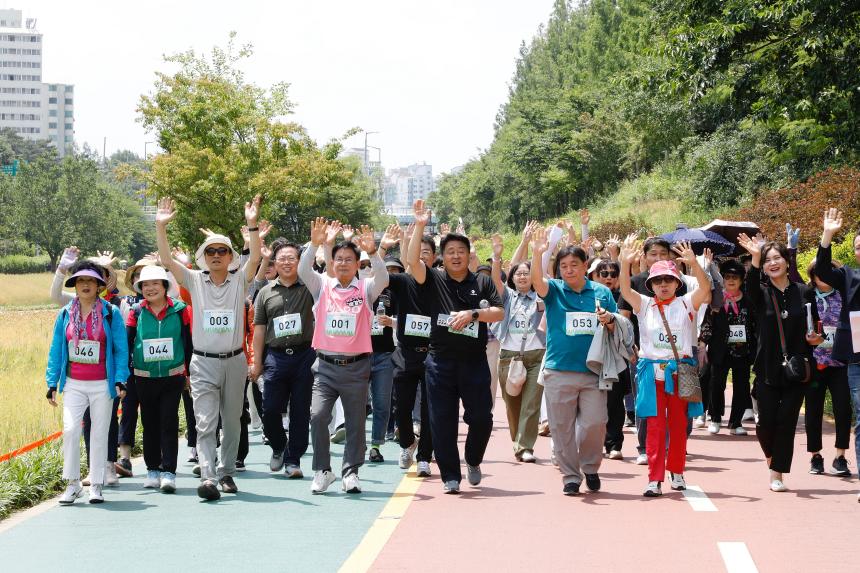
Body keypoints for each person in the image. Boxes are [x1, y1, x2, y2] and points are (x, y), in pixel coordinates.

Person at [155, 195, 262, 501]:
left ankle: (227, 472)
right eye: (211, 251)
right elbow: (166, 261)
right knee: (205, 421)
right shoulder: (194, 279)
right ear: (204, 256)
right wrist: (161, 227)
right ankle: (208, 476)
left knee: (232, 420)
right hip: (203, 362)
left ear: (230, 257)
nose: (216, 255)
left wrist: (252, 225)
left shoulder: (240, 281)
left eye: (222, 251)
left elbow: (254, 259)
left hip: (235, 361)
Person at [407, 200, 504, 494]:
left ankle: (473, 459)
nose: (456, 256)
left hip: (474, 361)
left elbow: (498, 312)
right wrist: (421, 224)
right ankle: (451, 475)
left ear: (468, 255)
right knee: (441, 420)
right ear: (442, 257)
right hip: (440, 362)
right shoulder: (433, 279)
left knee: (481, 417)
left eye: (461, 251)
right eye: (450, 252)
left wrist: (473, 314)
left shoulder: (482, 282)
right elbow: (412, 263)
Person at [298, 219, 395, 495]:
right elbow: (304, 270)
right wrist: (315, 244)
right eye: (338, 259)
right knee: (317, 416)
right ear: (333, 262)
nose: (343, 263)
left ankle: (351, 472)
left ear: (356, 264)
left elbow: (384, 279)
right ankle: (322, 470)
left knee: (355, 423)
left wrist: (374, 252)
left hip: (356, 367)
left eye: (348, 259)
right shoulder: (322, 286)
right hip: (325, 367)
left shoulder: (365, 289)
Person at [619, 239, 711, 497]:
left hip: (679, 373)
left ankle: (677, 472)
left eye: (668, 280)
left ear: (677, 283)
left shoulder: (686, 303)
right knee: (655, 427)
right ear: (650, 284)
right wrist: (624, 262)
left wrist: (694, 264)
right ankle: (654, 478)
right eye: (658, 281)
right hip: (652, 375)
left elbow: (705, 288)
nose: (663, 285)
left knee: (679, 425)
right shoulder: (644, 305)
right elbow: (625, 291)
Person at [531, 227, 617, 495]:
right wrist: (537, 253)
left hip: (594, 371)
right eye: (563, 266)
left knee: (595, 422)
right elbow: (537, 282)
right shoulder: (554, 290)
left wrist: (608, 320)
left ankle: (590, 466)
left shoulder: (602, 292)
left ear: (585, 266)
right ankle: (570, 476)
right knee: (561, 427)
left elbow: (617, 324)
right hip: (559, 371)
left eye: (574, 265)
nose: (568, 270)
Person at [738, 233, 822, 492]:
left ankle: (777, 473)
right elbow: (749, 286)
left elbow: (815, 325)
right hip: (767, 368)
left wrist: (816, 338)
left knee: (786, 420)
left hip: (798, 367)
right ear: (763, 267)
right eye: (767, 260)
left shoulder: (804, 292)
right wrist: (754, 257)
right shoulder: (760, 293)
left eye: (777, 258)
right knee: (765, 423)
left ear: (787, 261)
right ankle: (772, 456)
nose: (773, 263)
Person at [46, 260, 129, 505]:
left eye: (90, 281)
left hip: (102, 384)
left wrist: (120, 379)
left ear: (99, 285)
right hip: (73, 383)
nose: (85, 285)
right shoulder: (65, 313)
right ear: (74, 285)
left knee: (100, 433)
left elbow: (120, 350)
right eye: (80, 280)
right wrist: (52, 383)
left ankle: (96, 484)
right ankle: (72, 484)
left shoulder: (110, 313)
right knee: (71, 430)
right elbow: (56, 350)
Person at [251, 241, 316, 479]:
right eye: (282, 259)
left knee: (300, 411)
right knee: (270, 408)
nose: (286, 263)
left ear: (299, 262)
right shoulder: (265, 292)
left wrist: (320, 245)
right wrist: (256, 362)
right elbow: (259, 329)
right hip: (275, 358)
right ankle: (278, 445)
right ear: (274, 263)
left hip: (304, 356)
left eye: (292, 258)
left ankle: (293, 459)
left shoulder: (310, 286)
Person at [126, 265, 193, 493]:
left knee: (169, 422)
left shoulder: (181, 310)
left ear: (165, 286)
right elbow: (127, 343)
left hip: (173, 376)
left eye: (155, 283)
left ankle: (169, 472)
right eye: (145, 285)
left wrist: (189, 374)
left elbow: (188, 342)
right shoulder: (135, 312)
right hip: (144, 378)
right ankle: (152, 469)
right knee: (149, 424)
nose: (150, 288)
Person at [814, 208, 860, 500]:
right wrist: (827, 236)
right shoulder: (849, 276)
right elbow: (822, 270)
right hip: (856, 358)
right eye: (858, 245)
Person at [490, 232, 546, 463]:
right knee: (512, 403)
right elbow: (495, 280)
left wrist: (538, 251)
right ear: (513, 277)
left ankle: (525, 446)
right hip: (509, 357)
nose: (523, 277)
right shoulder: (507, 297)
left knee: (531, 403)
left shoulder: (543, 296)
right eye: (519, 274)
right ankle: (518, 442)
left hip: (537, 356)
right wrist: (496, 258)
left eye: (527, 273)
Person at [388, 227, 436, 476]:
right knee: (401, 406)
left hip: (433, 354)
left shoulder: (441, 282)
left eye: (426, 252)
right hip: (405, 353)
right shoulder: (402, 281)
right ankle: (407, 444)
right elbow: (377, 278)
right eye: (417, 251)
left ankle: (425, 456)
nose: (421, 256)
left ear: (434, 256)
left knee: (431, 408)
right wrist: (381, 250)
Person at [804, 258, 852, 476]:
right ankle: (815, 456)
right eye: (819, 273)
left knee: (843, 408)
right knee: (813, 410)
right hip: (815, 363)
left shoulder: (845, 294)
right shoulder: (807, 296)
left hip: (840, 362)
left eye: (829, 273)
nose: (824, 277)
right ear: (812, 277)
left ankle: (840, 456)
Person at [704, 259, 755, 436]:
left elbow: (755, 325)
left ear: (742, 280)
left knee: (742, 386)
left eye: (735, 277)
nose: (731, 280)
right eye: (727, 277)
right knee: (716, 384)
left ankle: (735, 422)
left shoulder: (749, 300)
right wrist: (703, 342)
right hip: (720, 349)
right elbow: (707, 322)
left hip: (742, 350)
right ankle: (715, 418)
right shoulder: (716, 299)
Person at [592, 259, 631, 459]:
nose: (609, 278)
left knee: (615, 402)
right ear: (595, 276)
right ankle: (592, 443)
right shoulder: (586, 295)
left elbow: (624, 326)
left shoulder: (625, 295)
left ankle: (614, 444)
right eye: (604, 274)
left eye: (613, 274)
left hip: (614, 355)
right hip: (589, 356)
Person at [366, 256, 402, 463]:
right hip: (359, 356)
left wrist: (391, 321)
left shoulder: (392, 295)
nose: (386, 273)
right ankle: (354, 443)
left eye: (391, 271)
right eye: (383, 269)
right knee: (358, 405)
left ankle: (375, 446)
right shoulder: (360, 290)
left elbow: (403, 320)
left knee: (382, 404)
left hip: (385, 356)